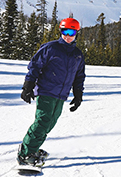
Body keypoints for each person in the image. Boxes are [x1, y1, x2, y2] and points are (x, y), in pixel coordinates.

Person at [17, 18, 86, 167]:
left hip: (61, 95)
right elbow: (34, 66)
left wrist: (78, 95)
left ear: (76, 34)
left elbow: (79, 76)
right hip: (46, 91)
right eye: (64, 32)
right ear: (60, 32)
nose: (68, 35)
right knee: (42, 122)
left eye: (71, 32)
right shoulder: (51, 48)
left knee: (49, 124)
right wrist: (28, 86)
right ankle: (25, 153)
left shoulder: (78, 55)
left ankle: (33, 149)